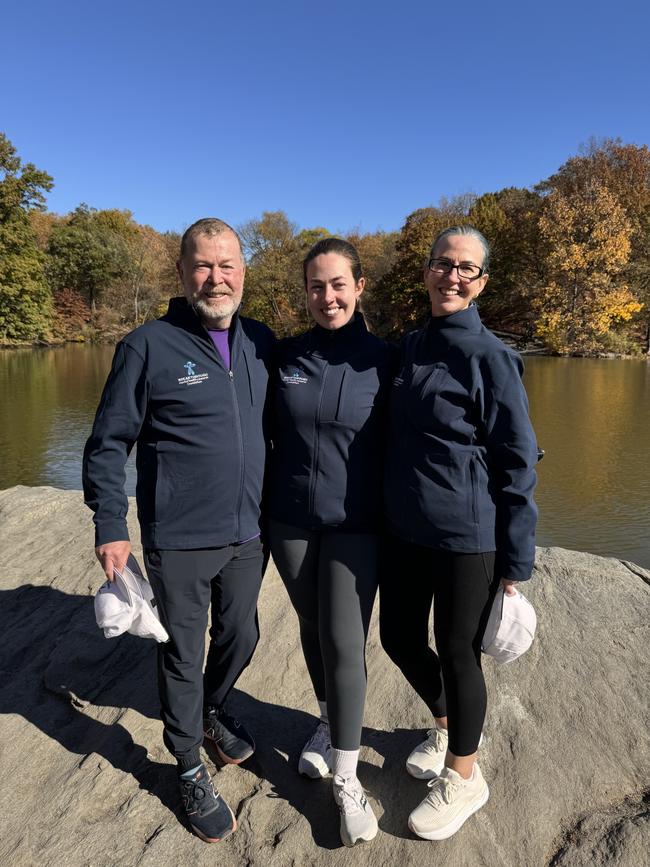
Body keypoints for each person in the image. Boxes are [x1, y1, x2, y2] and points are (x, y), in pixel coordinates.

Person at [83, 218, 275, 844]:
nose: (215, 278)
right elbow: (109, 443)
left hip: (250, 532)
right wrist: (111, 524)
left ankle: (213, 711)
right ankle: (188, 762)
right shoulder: (148, 345)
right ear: (182, 273)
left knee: (242, 634)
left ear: (243, 271)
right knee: (182, 652)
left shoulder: (261, 342)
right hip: (180, 537)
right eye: (203, 265)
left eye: (227, 266)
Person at [379, 226, 539, 841]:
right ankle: (446, 722)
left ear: (481, 283)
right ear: (426, 272)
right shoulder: (412, 346)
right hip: (403, 531)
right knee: (396, 636)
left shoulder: (491, 357)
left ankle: (466, 775)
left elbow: (518, 461)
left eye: (465, 269)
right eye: (442, 264)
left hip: (467, 536)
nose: (452, 275)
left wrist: (515, 560)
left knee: (456, 651)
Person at [266, 238, 395, 846]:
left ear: (359, 286)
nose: (327, 296)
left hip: (355, 525)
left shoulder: (384, 359)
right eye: (316, 286)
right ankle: (326, 722)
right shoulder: (285, 355)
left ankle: (347, 776)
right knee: (313, 625)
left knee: (345, 639)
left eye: (338, 284)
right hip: (290, 521)